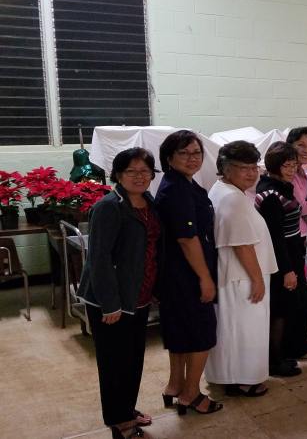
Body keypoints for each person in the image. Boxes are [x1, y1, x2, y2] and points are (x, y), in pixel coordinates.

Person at [77, 147, 161, 439]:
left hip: (139, 294)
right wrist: (109, 304)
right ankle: (119, 421)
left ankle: (126, 408)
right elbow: (98, 258)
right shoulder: (109, 207)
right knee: (114, 362)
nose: (139, 176)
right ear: (118, 174)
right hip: (111, 300)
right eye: (131, 171)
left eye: (145, 171)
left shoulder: (148, 202)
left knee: (133, 358)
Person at [155, 130, 223, 415]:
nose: (192, 158)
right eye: (183, 153)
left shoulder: (180, 183)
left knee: (181, 330)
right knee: (201, 333)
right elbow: (187, 238)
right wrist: (205, 278)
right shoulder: (177, 190)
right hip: (186, 274)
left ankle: (175, 385)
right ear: (169, 157)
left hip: (176, 273)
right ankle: (192, 394)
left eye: (196, 152)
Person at [206, 141, 277, 398]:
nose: (251, 173)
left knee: (233, 328)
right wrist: (257, 279)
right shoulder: (232, 198)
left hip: (237, 274)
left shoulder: (224, 190)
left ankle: (228, 377)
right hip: (243, 276)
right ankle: (244, 380)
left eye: (254, 167)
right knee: (246, 329)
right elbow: (241, 244)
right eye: (243, 168)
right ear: (225, 168)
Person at [255, 141, 307, 378]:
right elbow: (275, 238)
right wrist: (287, 270)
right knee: (279, 310)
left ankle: (284, 353)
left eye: (293, 165)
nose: (291, 170)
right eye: (286, 166)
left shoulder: (282, 186)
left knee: (290, 307)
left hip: (292, 254)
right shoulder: (271, 193)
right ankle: (274, 360)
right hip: (282, 259)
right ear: (274, 166)